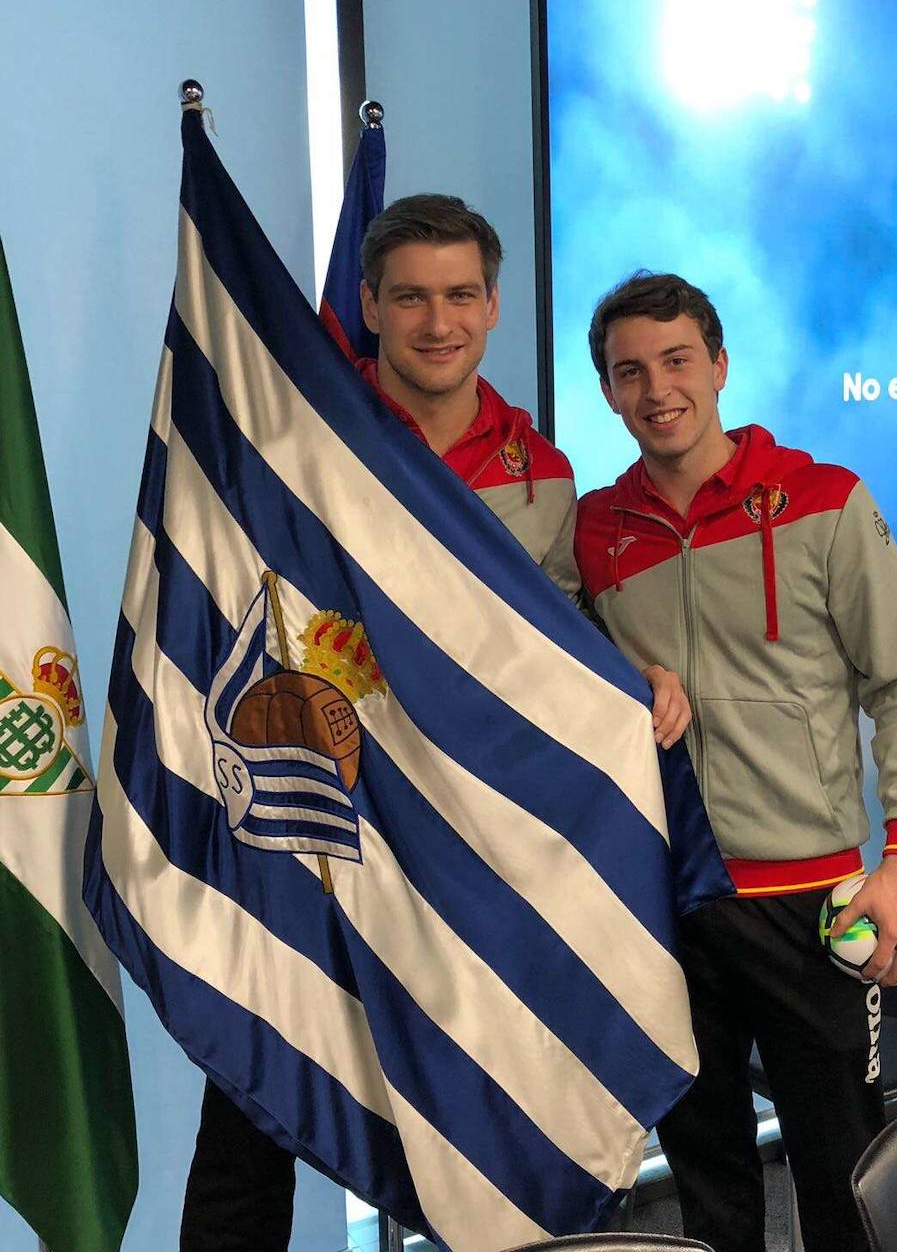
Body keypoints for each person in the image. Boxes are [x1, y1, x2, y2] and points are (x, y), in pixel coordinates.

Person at [180, 201, 690, 1252]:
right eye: (408, 295)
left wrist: (624, 674)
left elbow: (552, 644)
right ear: (366, 306)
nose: (436, 320)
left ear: (493, 306)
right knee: (258, 1097)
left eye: (460, 294)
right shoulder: (305, 439)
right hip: (319, 826)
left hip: (464, 855)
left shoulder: (542, 475)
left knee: (486, 1108)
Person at [573, 272, 897, 1252]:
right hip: (671, 903)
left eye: (676, 361)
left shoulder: (822, 501)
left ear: (719, 367)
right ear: (607, 391)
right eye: (628, 371)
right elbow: (556, 659)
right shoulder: (596, 532)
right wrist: (624, 669)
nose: (656, 389)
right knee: (708, 1187)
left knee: (844, 1181)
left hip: (812, 906)